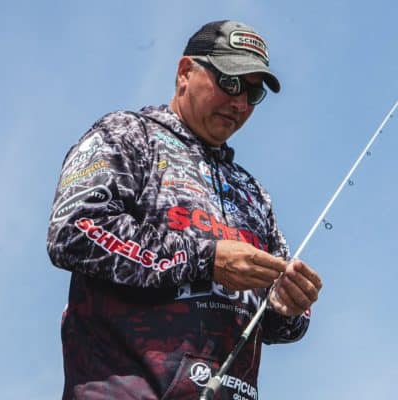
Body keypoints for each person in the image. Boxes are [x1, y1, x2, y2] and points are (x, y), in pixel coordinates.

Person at [47, 20, 322, 400]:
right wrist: (206, 259)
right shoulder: (127, 135)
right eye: (230, 82)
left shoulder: (253, 194)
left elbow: (281, 326)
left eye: (253, 92)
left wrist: (287, 306)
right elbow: (74, 230)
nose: (240, 103)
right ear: (185, 72)